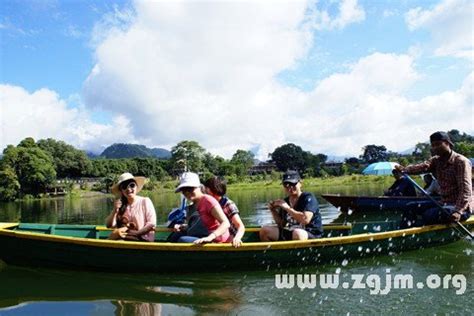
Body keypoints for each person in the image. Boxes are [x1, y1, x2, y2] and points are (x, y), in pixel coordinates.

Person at [397, 131, 473, 227]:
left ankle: (420, 232)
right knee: (410, 206)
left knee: (428, 215)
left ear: (447, 143)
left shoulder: (461, 162)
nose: (435, 148)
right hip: (443, 203)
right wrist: (405, 169)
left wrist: (458, 211)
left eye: (438, 144)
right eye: (433, 145)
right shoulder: (436, 160)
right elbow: (422, 167)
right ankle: (406, 231)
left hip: (462, 208)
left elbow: (465, 190)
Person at [259, 170, 323, 241]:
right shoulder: (285, 201)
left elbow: (305, 219)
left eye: (293, 184)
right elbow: (281, 224)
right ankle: (274, 251)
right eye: (286, 185)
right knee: (264, 231)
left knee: (298, 233)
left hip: (310, 234)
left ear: (300, 183)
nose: (290, 187)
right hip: (292, 232)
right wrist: (273, 210)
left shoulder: (308, 198)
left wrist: (287, 208)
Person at [174, 172, 231, 244]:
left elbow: (226, 223)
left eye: (190, 189)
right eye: (184, 190)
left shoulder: (208, 201)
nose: (187, 192)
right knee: (176, 235)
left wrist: (210, 237)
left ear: (199, 187)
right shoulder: (195, 203)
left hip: (216, 239)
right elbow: (202, 224)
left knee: (182, 239)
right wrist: (184, 227)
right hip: (206, 235)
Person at [106, 173, 157, 241]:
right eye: (124, 187)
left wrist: (135, 233)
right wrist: (115, 210)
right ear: (121, 191)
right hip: (125, 239)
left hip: (143, 240)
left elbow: (151, 224)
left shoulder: (145, 201)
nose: (129, 189)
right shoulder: (121, 205)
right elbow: (110, 225)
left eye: (132, 185)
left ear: (136, 186)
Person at [203, 176, 245, 248]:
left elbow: (240, 226)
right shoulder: (207, 203)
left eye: (206, 190)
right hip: (214, 236)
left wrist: (237, 238)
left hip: (228, 239)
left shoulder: (228, 204)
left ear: (210, 190)